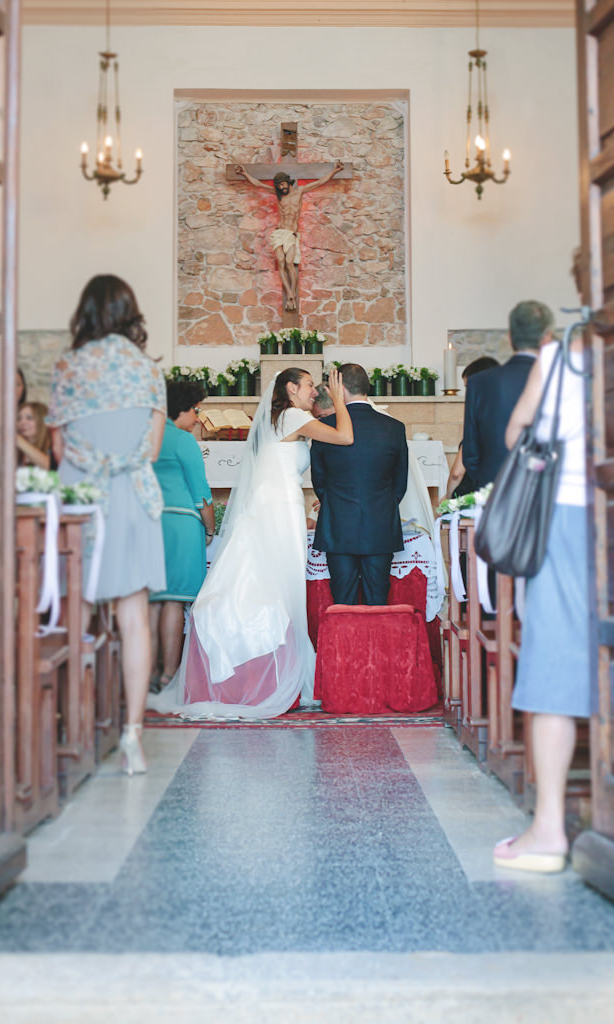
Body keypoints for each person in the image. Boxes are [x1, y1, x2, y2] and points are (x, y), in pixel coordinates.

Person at [149, 366, 353, 719]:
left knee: (277, 583)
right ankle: (275, 673)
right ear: (290, 388)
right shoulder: (291, 415)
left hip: (278, 503)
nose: (313, 391)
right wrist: (338, 400)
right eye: (307, 385)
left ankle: (280, 669)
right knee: (279, 585)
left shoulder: (285, 417)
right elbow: (345, 437)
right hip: (278, 507)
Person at [46, 274, 167, 775]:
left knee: (80, 616)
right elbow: (153, 450)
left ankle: (74, 727)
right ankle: (132, 735)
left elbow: (58, 449)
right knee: (134, 616)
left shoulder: (69, 368)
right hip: (133, 500)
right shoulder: (147, 370)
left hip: (84, 500)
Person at [493, 329, 590, 873]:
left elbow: (515, 436)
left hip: (568, 513)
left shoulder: (559, 357)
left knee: (553, 657)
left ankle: (550, 828)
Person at [311, 363, 408, 605]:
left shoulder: (326, 426)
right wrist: (382, 506)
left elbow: (319, 479)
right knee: (378, 598)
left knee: (343, 600)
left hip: (339, 524)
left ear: (340, 389)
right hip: (380, 524)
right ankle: (377, 643)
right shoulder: (394, 427)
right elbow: (400, 481)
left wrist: (335, 504)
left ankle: (344, 644)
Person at [149, 380, 214, 689]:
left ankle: (146, 671)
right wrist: (211, 527)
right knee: (174, 602)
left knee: (151, 601)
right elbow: (201, 494)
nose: (198, 418)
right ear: (182, 410)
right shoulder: (184, 440)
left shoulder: (147, 437)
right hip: (179, 523)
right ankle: (169, 673)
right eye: (196, 410)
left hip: (149, 524)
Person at [462, 301, 554, 489]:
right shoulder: (558, 378)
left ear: (510, 338)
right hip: (545, 489)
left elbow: (470, 456)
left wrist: (488, 483)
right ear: (547, 338)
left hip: (493, 489)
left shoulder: (479, 382)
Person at [234, 161, 345, 311]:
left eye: (282, 184)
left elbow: (320, 181)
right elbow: (258, 184)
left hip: (291, 234)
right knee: (280, 261)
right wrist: (245, 173)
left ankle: (292, 293)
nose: (281, 188)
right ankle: (289, 294)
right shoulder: (278, 194)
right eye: (278, 186)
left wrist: (334, 172)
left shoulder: (300, 191)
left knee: (289, 262)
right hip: (280, 233)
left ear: (287, 181)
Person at [440, 357, 500, 502]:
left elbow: (457, 473)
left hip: (471, 499)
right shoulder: (506, 415)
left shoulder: (479, 420)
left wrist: (447, 499)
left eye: (468, 387)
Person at [17, 401, 53, 470]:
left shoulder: (51, 447)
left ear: (41, 421)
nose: (22, 422)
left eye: (29, 418)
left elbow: (49, 466)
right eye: (19, 419)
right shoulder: (16, 450)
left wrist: (17, 439)